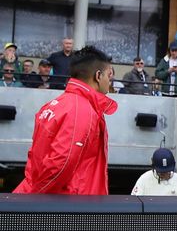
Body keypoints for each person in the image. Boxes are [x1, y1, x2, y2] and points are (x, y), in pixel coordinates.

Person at [14, 46, 117, 194]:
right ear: (98, 76)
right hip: (69, 203)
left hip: (52, 198)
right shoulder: (82, 110)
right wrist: (35, 197)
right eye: (109, 75)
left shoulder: (56, 104)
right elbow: (60, 163)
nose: (110, 81)